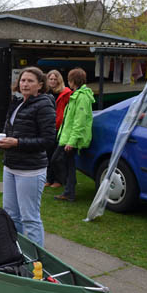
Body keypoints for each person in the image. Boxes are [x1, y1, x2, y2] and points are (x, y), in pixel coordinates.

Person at [0, 67, 55, 247]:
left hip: (30, 170)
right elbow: (10, 130)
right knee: (11, 215)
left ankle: (38, 261)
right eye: (22, 80)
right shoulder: (18, 102)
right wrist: (1, 140)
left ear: (40, 85)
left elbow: (48, 140)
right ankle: (17, 252)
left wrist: (17, 142)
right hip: (11, 166)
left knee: (30, 218)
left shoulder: (44, 105)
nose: (25, 84)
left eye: (30, 81)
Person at [54, 68, 95, 202]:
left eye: (69, 79)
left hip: (71, 138)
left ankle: (69, 190)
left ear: (73, 81)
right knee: (67, 163)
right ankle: (69, 190)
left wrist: (71, 141)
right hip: (67, 136)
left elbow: (79, 121)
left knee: (60, 161)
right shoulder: (76, 94)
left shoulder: (82, 97)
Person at [45, 70, 72, 188]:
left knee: (58, 157)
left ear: (59, 80)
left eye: (55, 79)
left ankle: (58, 180)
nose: (52, 81)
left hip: (60, 127)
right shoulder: (44, 93)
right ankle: (48, 178)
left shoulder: (66, 93)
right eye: (50, 79)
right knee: (48, 154)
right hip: (48, 126)